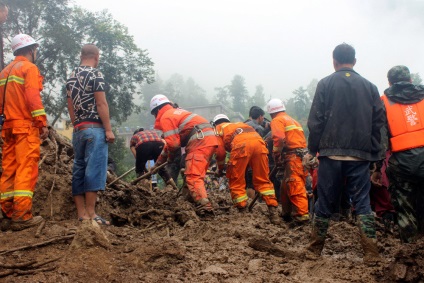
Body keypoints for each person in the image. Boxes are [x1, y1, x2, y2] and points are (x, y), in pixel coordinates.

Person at [305, 43, 385, 262]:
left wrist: (312, 150)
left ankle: (313, 250)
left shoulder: (325, 84)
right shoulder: (370, 87)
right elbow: (378, 123)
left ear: (334, 61)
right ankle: (371, 253)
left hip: (330, 154)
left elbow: (316, 121)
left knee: (325, 201)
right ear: (355, 61)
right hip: (360, 155)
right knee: (362, 203)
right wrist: (375, 157)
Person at [0, 34, 48, 231]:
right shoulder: (29, 68)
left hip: (8, 127)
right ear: (30, 50)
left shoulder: (4, 72)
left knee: (9, 169)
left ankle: (6, 216)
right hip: (25, 127)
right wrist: (41, 122)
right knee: (25, 169)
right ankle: (21, 216)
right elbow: (32, 96)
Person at [66, 44, 115, 225]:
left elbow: (70, 105)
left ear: (81, 56)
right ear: (96, 56)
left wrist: (77, 124)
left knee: (78, 170)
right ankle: (92, 214)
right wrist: (108, 129)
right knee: (94, 169)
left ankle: (81, 215)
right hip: (95, 128)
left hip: (79, 129)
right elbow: (101, 103)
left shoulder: (71, 77)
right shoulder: (96, 74)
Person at [150, 94, 218, 215]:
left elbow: (173, 145)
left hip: (199, 141)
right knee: (191, 175)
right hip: (208, 139)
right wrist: (157, 165)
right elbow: (168, 147)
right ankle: (187, 203)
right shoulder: (177, 113)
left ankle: (205, 207)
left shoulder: (166, 116)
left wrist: (170, 159)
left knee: (193, 176)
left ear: (157, 111)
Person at [380, 65, 424, 243]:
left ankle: (411, 252)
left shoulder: (383, 101)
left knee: (405, 208)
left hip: (402, 163)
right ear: (411, 80)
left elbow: (381, 140)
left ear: (389, 83)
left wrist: (376, 167)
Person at [212, 114, 281, 224]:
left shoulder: (217, 129)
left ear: (215, 123)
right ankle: (273, 211)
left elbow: (220, 153)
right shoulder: (239, 124)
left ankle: (243, 211)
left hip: (241, 146)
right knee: (263, 180)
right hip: (260, 144)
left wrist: (220, 169)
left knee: (236, 180)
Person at [266, 98, 309, 224]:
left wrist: (277, 155)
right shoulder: (293, 121)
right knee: (286, 186)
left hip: (292, 157)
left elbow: (279, 138)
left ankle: (301, 216)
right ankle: (286, 213)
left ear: (271, 112)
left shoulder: (277, 120)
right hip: (300, 156)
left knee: (295, 184)